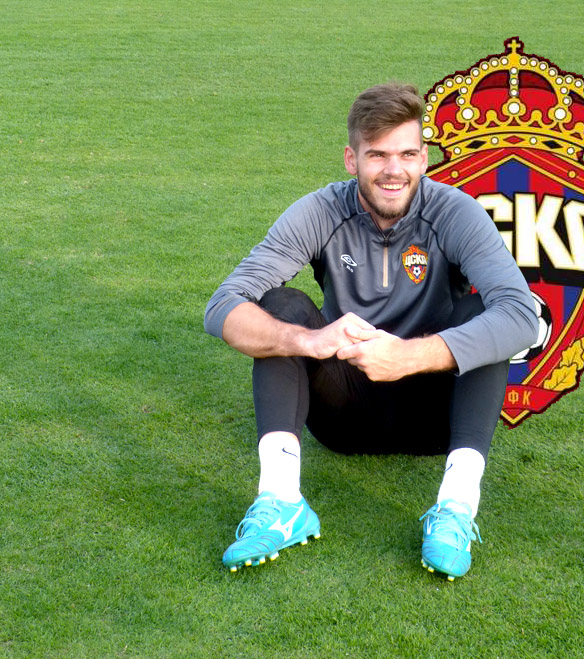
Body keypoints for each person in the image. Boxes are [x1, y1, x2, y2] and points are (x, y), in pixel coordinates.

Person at [204, 82, 539, 580]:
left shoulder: (455, 212)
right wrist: (308, 340)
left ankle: (455, 508)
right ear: (351, 159)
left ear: (424, 158)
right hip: (344, 416)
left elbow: (522, 315)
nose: (393, 170)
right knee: (282, 307)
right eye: (377, 154)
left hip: (437, 418)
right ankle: (281, 501)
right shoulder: (319, 212)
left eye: (406, 154)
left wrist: (409, 356)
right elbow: (223, 306)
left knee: (481, 311)